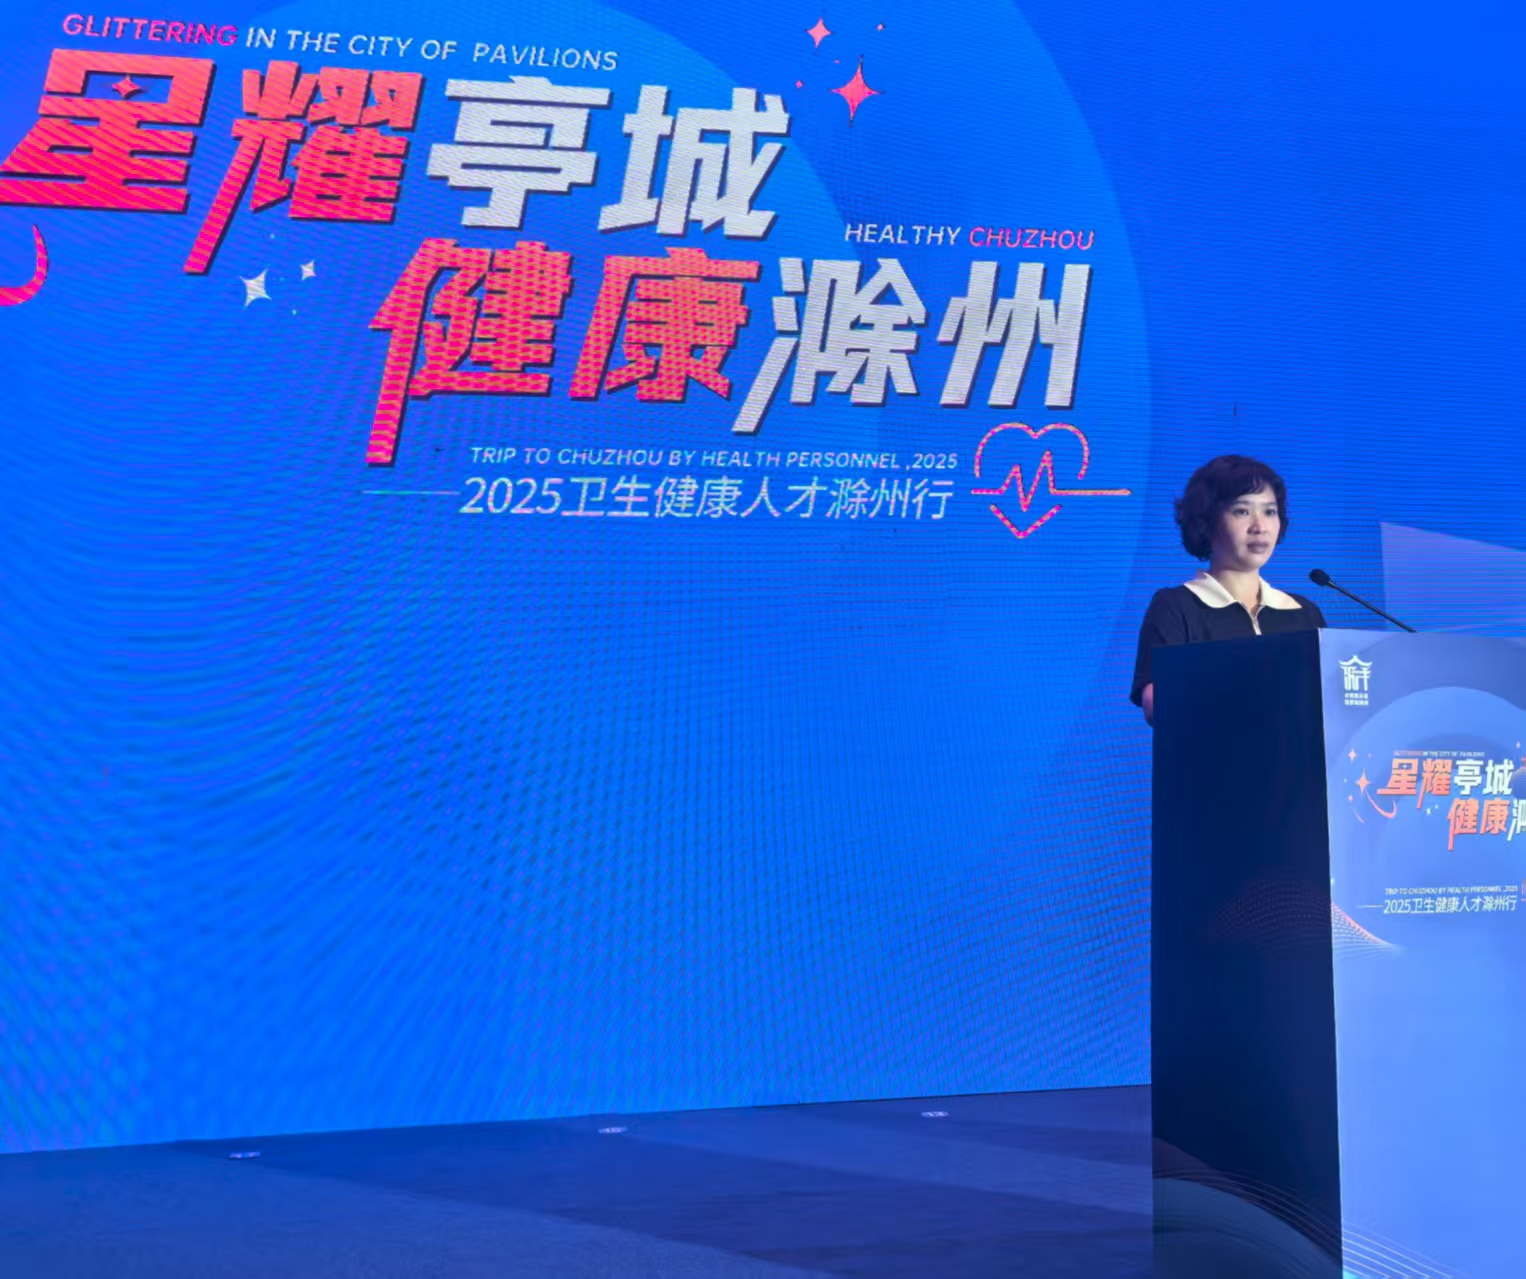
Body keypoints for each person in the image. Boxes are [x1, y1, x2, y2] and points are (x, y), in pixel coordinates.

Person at [1132, 455, 1325, 724]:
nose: (1260, 527)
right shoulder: (1177, 606)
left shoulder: (1303, 613)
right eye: (1242, 512)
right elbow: (1157, 703)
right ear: (1207, 521)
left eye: (1269, 512)